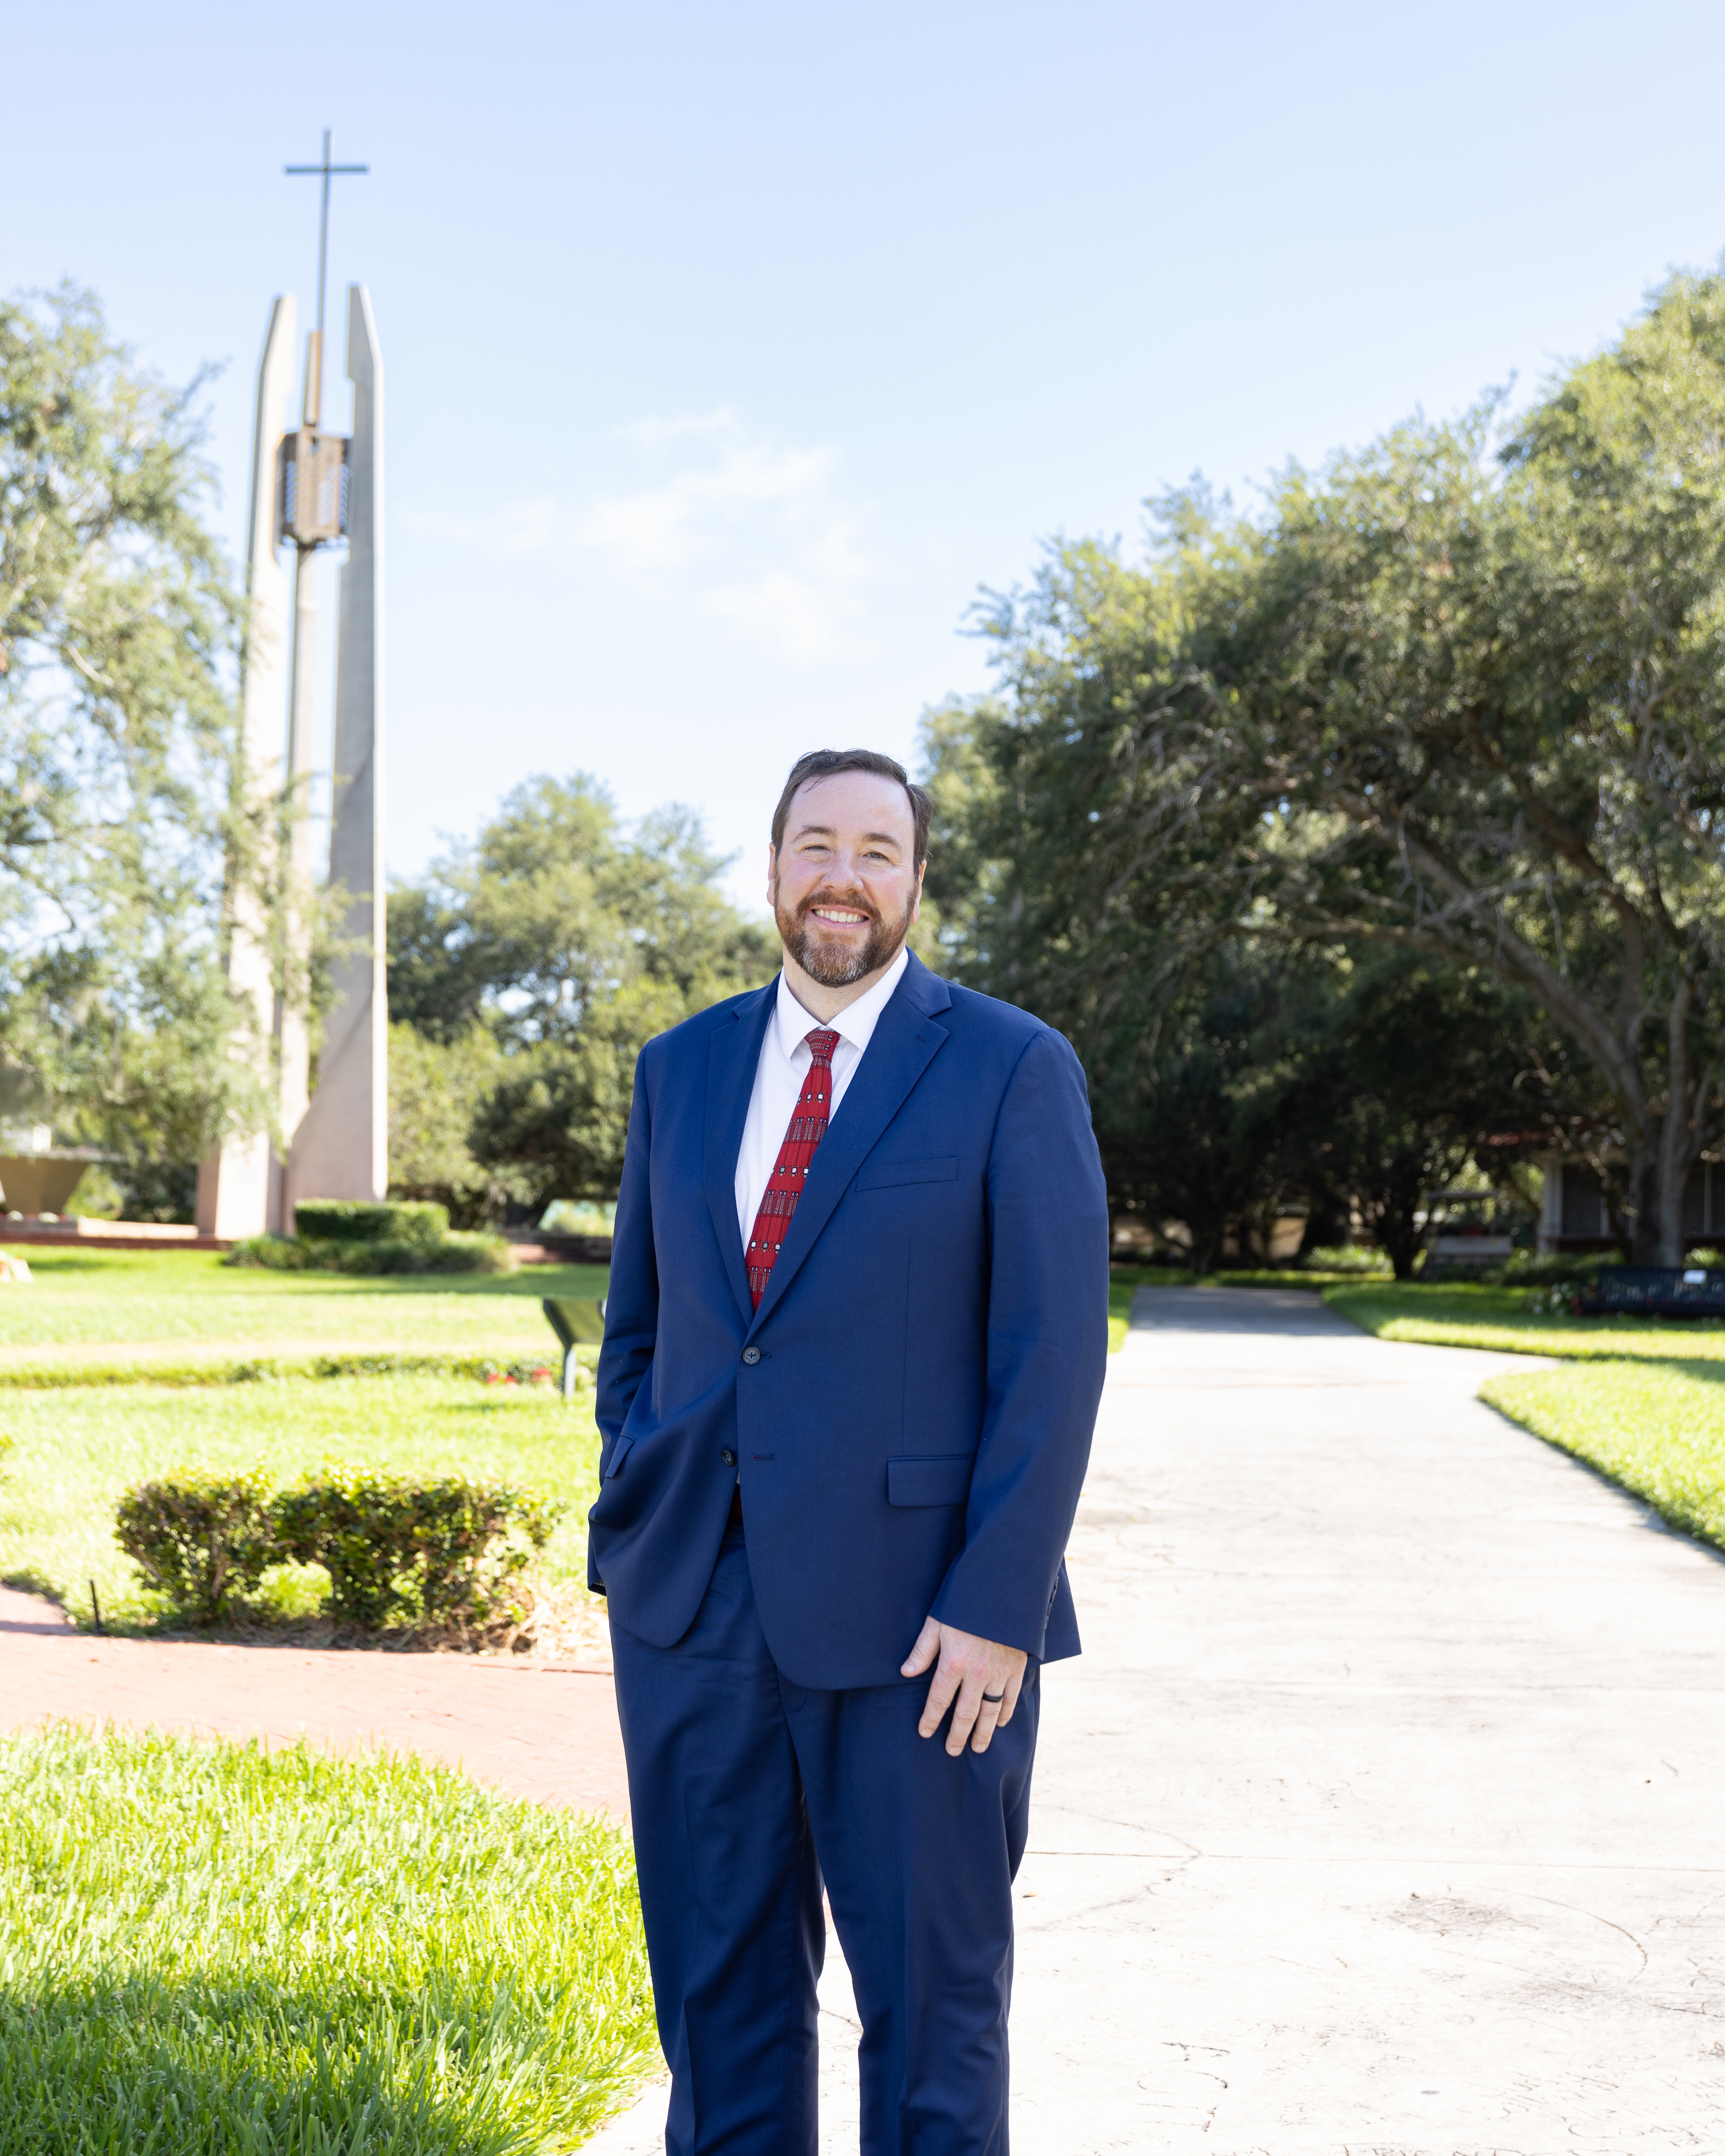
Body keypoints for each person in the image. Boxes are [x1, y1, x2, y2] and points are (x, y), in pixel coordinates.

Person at [589, 747, 1108, 2155]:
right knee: (718, 2003)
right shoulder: (680, 1068)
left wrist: (995, 1603)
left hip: (926, 1628)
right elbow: (639, 1329)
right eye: (815, 844)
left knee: (934, 2014)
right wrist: (638, 1508)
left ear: (916, 879)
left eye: (877, 851)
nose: (842, 877)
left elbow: (1052, 1358)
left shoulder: (1010, 1066)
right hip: (695, 1608)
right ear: (771, 870)